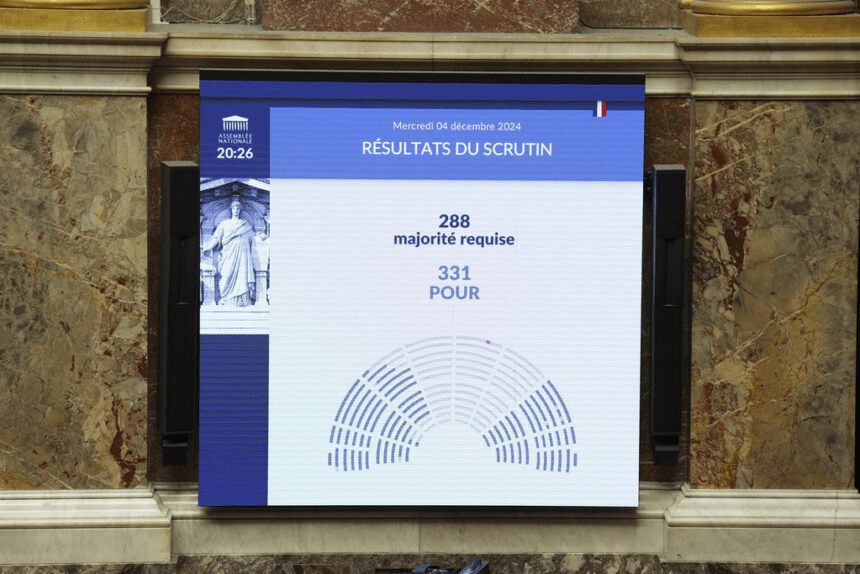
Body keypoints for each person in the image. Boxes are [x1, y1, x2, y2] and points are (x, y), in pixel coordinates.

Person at [202, 198, 256, 306]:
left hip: (243, 256)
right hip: (228, 254)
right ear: (231, 209)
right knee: (225, 275)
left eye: (238, 208)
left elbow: (252, 239)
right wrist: (209, 247)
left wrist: (261, 236)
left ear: (240, 210)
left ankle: (242, 300)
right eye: (234, 207)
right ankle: (225, 299)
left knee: (242, 276)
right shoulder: (224, 224)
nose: (236, 210)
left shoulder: (245, 225)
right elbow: (216, 237)